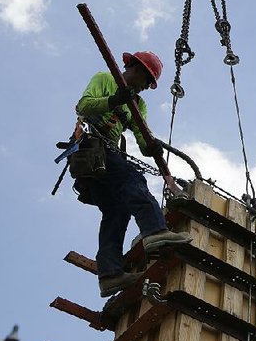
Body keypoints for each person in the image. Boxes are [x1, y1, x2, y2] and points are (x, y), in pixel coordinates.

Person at [75, 51, 191, 297]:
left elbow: (142, 138)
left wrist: (151, 146)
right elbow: (83, 106)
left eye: (149, 85)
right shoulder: (105, 79)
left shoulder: (139, 104)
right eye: (146, 81)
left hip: (105, 161)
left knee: (117, 211)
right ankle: (155, 232)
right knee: (133, 179)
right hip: (93, 150)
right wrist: (114, 100)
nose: (146, 88)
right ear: (134, 68)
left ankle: (110, 274)